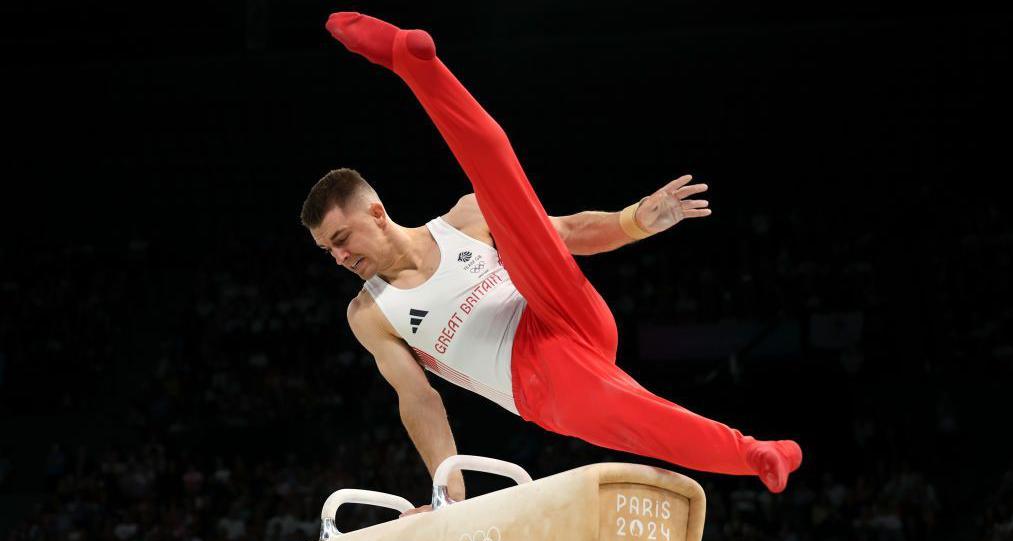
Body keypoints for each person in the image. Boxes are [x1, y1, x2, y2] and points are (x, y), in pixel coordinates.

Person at [301, 12, 802, 511]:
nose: (340, 256)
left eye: (342, 238)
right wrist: (448, 492)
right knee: (638, 415)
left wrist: (636, 220)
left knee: (498, 183)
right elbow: (419, 399)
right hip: (539, 378)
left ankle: (412, 63)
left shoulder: (463, 219)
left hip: (558, 308)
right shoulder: (369, 314)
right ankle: (757, 453)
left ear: (376, 211)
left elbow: (562, 235)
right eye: (329, 250)